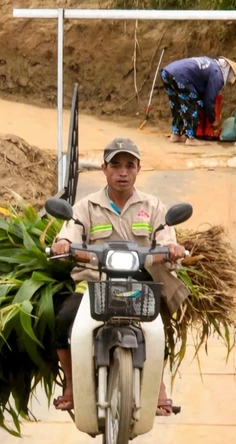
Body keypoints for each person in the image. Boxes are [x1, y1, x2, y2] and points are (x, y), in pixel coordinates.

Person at [50, 137, 190, 416]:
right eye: (115, 165)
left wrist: (172, 248)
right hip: (93, 284)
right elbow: (69, 232)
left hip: (139, 282)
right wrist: (63, 244)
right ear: (104, 169)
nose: (122, 172)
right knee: (62, 320)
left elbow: (165, 235)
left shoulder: (153, 206)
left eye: (129, 165)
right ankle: (71, 385)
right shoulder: (85, 207)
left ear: (138, 169)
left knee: (160, 325)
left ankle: (158, 386)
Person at [159, 56, 236, 145]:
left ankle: (175, 134)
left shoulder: (211, 63)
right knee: (193, 102)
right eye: (233, 76)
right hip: (180, 76)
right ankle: (190, 138)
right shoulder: (217, 74)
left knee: (177, 104)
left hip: (166, 73)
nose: (231, 79)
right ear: (229, 70)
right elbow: (209, 99)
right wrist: (213, 120)